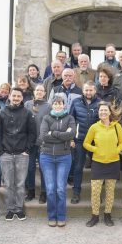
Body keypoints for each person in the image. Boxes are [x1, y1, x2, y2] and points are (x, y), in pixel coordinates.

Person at [0, 87, 36, 221]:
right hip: (6, 154)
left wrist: (27, 150)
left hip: (22, 154)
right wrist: (1, 151)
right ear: (9, 97)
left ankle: (19, 208)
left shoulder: (27, 113)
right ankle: (10, 209)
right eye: (14, 96)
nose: (16, 98)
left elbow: (32, 133)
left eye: (19, 96)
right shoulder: (1, 113)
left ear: (22, 98)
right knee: (9, 183)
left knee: (20, 183)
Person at [83, 101, 122, 227]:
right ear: (98, 112)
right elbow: (86, 143)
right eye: (101, 110)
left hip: (113, 162)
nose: (103, 112)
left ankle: (107, 215)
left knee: (110, 191)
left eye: (105, 110)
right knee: (95, 191)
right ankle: (95, 216)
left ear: (110, 112)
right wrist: (96, 150)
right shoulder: (94, 127)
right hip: (98, 163)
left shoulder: (117, 126)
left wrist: (116, 151)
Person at [39, 95, 76, 227]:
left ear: (64, 105)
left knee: (60, 189)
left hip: (64, 157)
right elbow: (43, 135)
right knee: (50, 189)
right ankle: (52, 216)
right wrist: (62, 136)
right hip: (47, 156)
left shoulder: (70, 118)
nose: (58, 105)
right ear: (52, 105)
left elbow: (71, 134)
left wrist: (53, 133)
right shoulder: (46, 118)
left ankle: (61, 216)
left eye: (60, 103)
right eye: (55, 103)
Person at [69, 81, 100, 204]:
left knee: (97, 168)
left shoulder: (100, 103)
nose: (88, 92)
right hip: (80, 139)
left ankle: (97, 194)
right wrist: (71, 138)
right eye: (86, 90)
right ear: (83, 91)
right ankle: (76, 192)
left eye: (90, 90)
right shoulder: (76, 102)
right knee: (78, 167)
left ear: (95, 91)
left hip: (95, 141)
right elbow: (71, 120)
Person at [24, 84, 51, 203]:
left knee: (43, 168)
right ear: (34, 92)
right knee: (30, 168)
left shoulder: (48, 106)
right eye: (37, 90)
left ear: (45, 93)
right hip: (30, 142)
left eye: (42, 90)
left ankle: (43, 193)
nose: (39, 92)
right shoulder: (27, 104)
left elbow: (50, 124)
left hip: (43, 142)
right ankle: (31, 191)